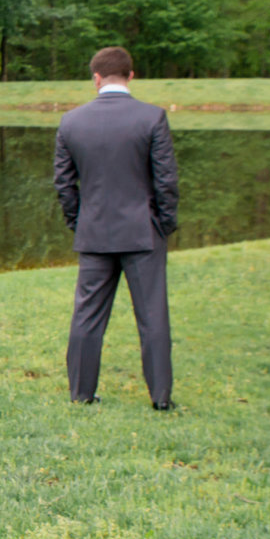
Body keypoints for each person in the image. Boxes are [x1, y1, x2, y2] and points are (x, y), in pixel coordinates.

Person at [52, 45, 179, 410]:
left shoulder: (71, 122)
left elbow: (64, 185)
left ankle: (81, 394)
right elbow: (166, 181)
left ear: (95, 78)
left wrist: (79, 222)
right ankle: (160, 400)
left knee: (86, 316)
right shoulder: (152, 117)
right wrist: (162, 225)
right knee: (153, 317)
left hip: (93, 232)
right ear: (131, 75)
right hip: (143, 233)